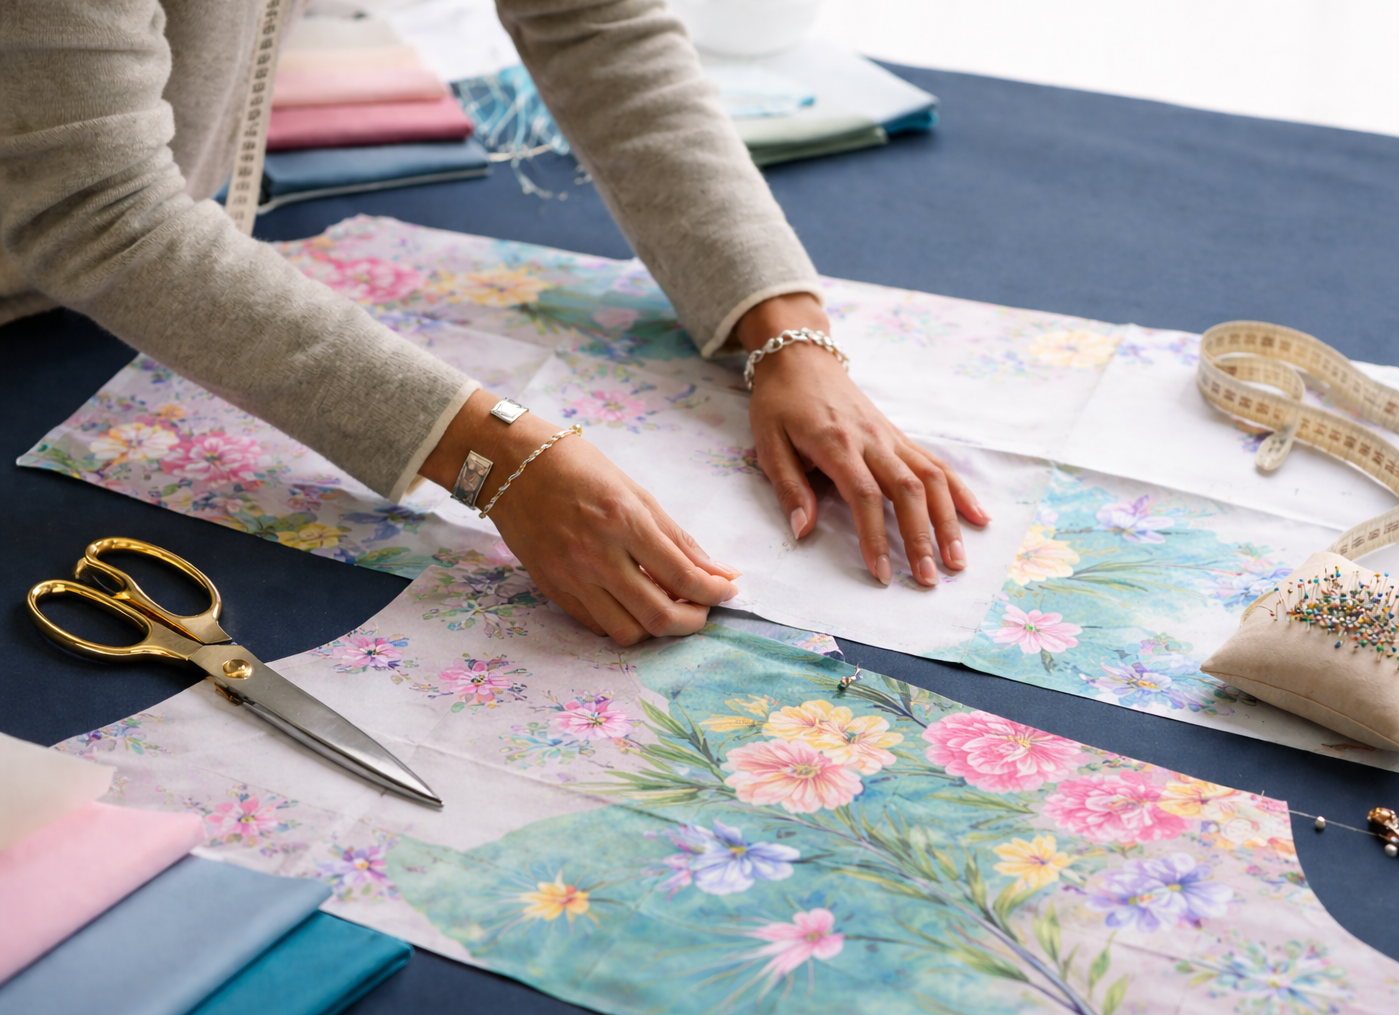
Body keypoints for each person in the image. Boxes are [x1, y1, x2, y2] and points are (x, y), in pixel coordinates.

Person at [0, 0, 988, 646]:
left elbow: (596, 22)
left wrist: (783, 329)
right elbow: (94, 207)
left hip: (117, 275)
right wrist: (489, 453)